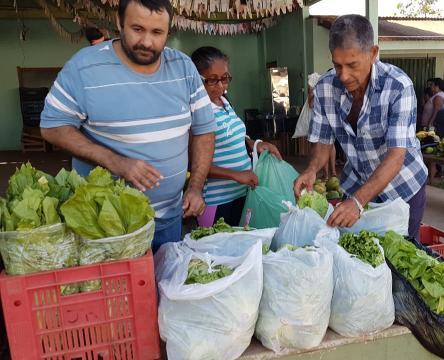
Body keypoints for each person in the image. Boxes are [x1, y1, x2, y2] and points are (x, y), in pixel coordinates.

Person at [40, 0, 216, 252]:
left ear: (168, 31)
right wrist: (116, 162)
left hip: (169, 220)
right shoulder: (84, 67)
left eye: (157, 33)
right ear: (119, 22)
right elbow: (52, 127)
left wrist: (196, 187)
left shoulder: (184, 68)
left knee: (164, 287)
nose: (146, 41)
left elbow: (204, 132)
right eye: (137, 29)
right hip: (106, 229)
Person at [293, 14, 428, 241]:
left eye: (352, 65)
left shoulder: (398, 86)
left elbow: (396, 157)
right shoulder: (325, 88)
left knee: (400, 261)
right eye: (337, 65)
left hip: (402, 188)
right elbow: (323, 141)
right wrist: (312, 169)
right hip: (357, 183)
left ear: (373, 53)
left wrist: (357, 201)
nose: (344, 76)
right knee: (359, 256)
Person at [190, 46, 281, 227]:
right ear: (197, 79)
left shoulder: (224, 101)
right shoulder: (197, 110)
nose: (221, 86)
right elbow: (193, 164)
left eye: (225, 78)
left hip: (241, 194)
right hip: (216, 200)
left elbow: (235, 134)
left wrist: (254, 143)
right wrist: (235, 175)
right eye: (212, 80)